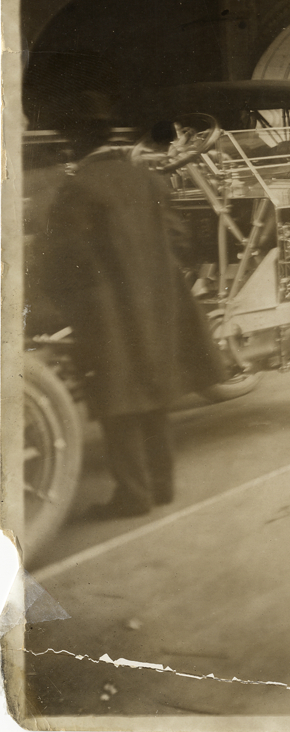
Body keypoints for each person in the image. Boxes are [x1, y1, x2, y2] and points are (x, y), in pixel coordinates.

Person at [35, 91, 226, 519]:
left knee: (117, 400)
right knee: (154, 392)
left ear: (76, 145)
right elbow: (178, 240)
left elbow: (66, 258)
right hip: (157, 303)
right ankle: (161, 486)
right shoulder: (148, 179)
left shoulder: (78, 188)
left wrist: (56, 303)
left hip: (107, 314)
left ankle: (133, 495)